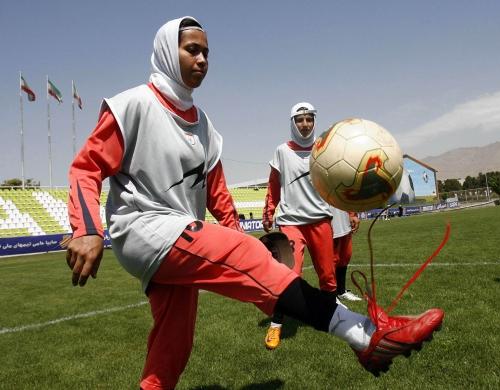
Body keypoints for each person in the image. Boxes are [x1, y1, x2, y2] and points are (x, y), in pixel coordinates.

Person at [64, 17, 444, 388]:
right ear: (166, 51)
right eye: (192, 50)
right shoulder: (132, 106)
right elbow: (86, 168)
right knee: (245, 267)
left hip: (178, 239)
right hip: (144, 230)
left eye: (207, 53)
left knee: (173, 346)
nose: (202, 60)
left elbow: (217, 195)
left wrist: (235, 235)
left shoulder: (205, 127)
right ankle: (367, 335)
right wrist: (86, 230)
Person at [261, 102, 339, 350]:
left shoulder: (323, 149)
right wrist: (269, 211)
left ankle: (330, 317)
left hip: (320, 220)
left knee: (327, 274)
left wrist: (349, 211)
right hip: (291, 221)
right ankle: (276, 324)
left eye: (309, 119)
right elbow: (273, 185)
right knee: (289, 274)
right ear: (292, 122)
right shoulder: (282, 151)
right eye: (300, 119)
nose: (305, 124)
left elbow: (338, 182)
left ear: (314, 121)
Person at [331, 206, 363, 301]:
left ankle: (341, 291)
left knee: (345, 255)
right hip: (326, 216)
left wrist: (352, 214)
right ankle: (331, 294)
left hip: (343, 217)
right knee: (331, 257)